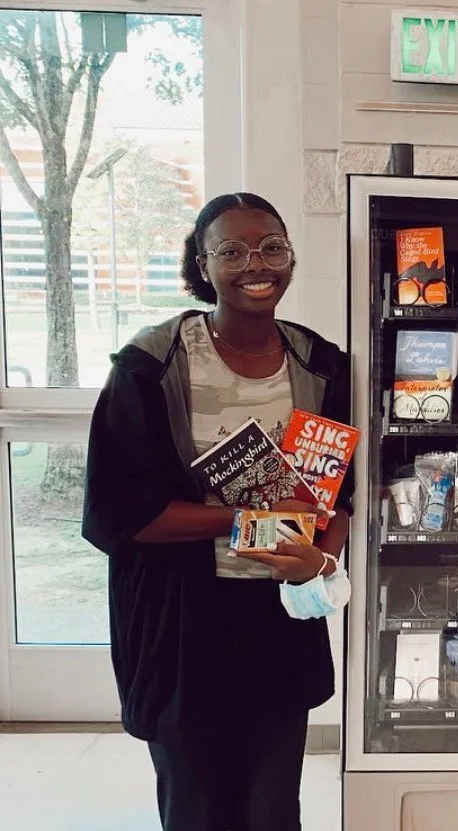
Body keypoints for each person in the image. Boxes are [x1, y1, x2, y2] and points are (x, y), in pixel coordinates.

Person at [81, 192, 353, 831]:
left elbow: (337, 491)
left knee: (271, 807)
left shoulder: (322, 365)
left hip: (278, 620)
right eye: (231, 250)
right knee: (196, 806)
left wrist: (323, 557)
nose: (255, 264)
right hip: (181, 620)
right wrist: (242, 519)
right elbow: (120, 513)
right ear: (202, 266)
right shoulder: (153, 365)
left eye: (272, 247)